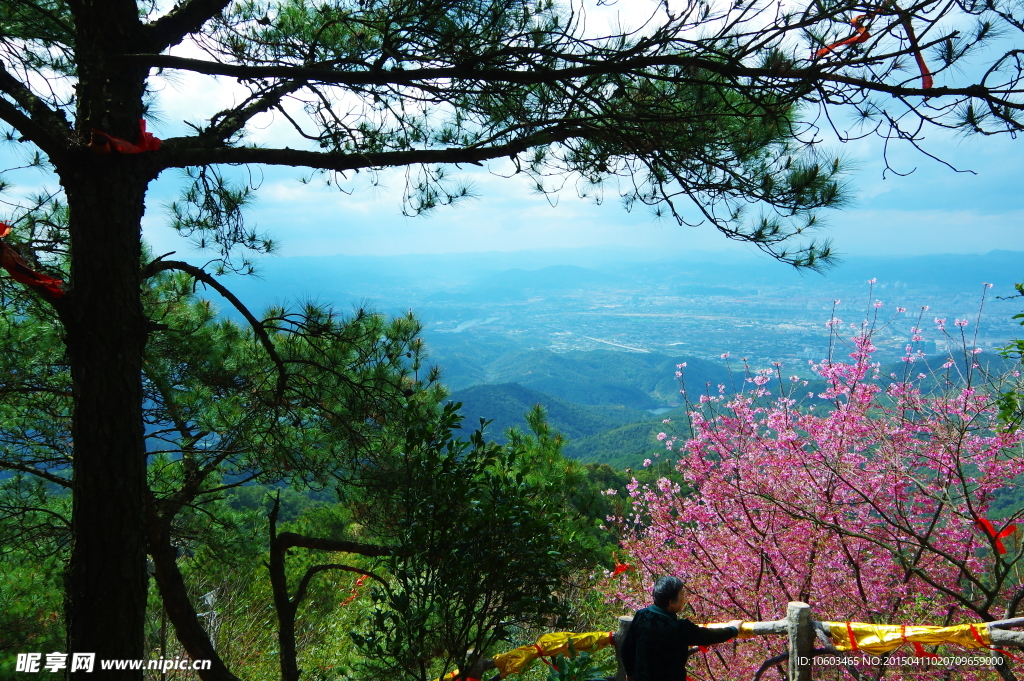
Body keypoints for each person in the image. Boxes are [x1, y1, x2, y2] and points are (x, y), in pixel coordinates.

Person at [621, 576, 744, 681]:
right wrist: (732, 629)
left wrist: (629, 673)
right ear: (671, 602)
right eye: (682, 594)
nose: (684, 598)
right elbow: (709, 636)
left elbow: (627, 647)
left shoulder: (641, 615)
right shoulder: (679, 627)